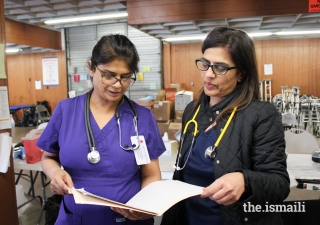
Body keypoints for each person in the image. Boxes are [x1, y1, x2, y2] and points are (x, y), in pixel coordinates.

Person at [161, 26, 290, 225]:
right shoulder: (192, 111)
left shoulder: (261, 114)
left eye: (220, 67)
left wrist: (245, 180)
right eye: (205, 64)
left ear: (241, 74)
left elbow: (279, 184)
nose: (208, 75)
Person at [37, 34, 166, 225]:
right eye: (108, 75)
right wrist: (55, 174)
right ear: (91, 67)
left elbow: (151, 174)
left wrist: (146, 207)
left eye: (125, 77)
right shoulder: (66, 110)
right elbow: (48, 158)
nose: (117, 85)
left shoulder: (141, 118)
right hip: (76, 218)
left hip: (127, 220)